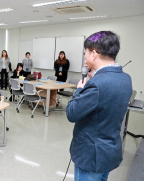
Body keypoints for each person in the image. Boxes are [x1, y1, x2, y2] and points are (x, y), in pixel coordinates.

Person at [66, 31, 132, 181]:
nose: (85, 56)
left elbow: (72, 113)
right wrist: (93, 77)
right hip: (109, 151)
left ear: (94, 54)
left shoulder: (97, 84)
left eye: (86, 53)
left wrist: (80, 90)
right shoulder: (125, 78)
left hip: (91, 156)